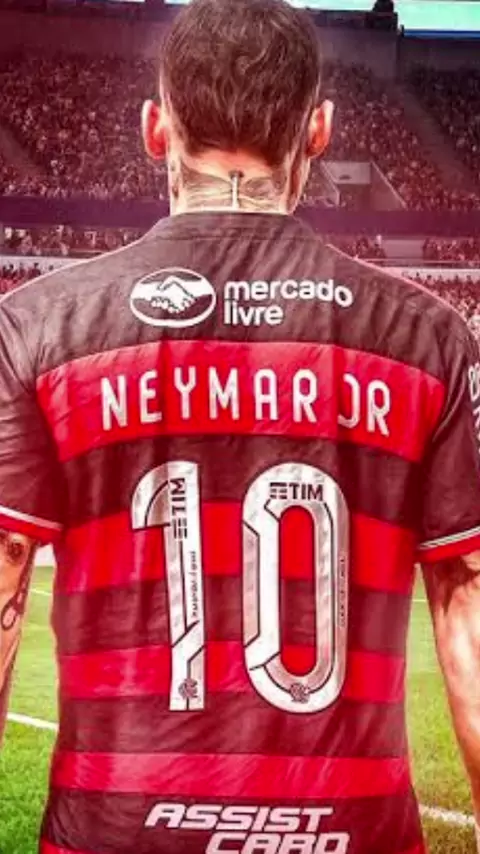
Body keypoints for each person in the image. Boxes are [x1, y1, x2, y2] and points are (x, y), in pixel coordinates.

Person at [1, 1, 480, 852]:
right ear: (318, 130)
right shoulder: (426, 337)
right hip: (355, 834)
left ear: (156, 129)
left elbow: (5, 570)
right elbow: (466, 604)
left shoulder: (39, 327)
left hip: (111, 835)